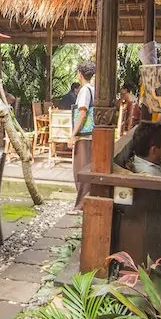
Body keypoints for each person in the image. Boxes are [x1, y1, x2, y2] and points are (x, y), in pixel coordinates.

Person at [69, 62, 95, 214]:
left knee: (81, 170)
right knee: (84, 168)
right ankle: (82, 203)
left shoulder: (85, 90)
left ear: (80, 73)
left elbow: (83, 113)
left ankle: (81, 206)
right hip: (90, 136)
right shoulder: (92, 88)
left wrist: (73, 135)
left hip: (84, 136)